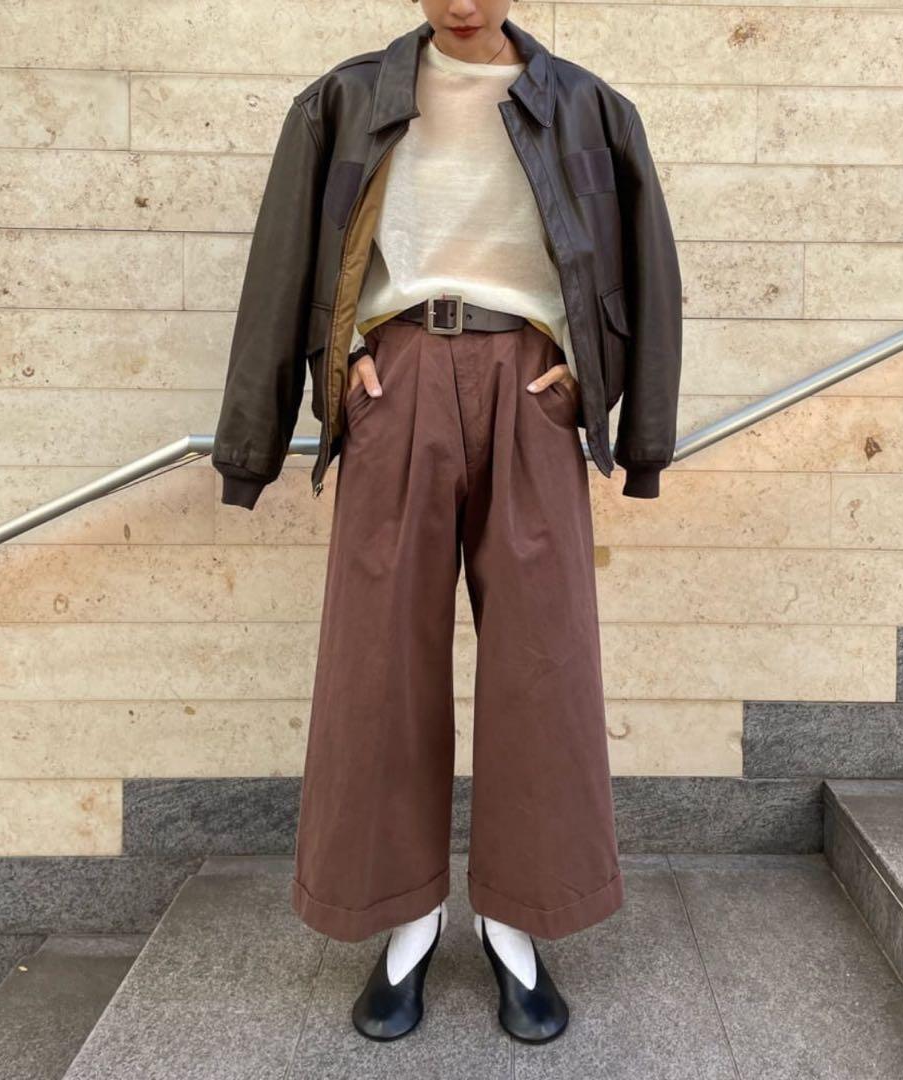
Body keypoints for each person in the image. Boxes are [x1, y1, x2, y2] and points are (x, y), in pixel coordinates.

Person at [213, 0, 682, 1047]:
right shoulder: (344, 101)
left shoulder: (589, 109)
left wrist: (613, 406)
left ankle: (518, 923)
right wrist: (303, 398)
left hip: (534, 388)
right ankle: (406, 923)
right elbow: (283, 263)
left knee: (543, 664)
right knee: (377, 664)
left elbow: (648, 269)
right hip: (398, 381)